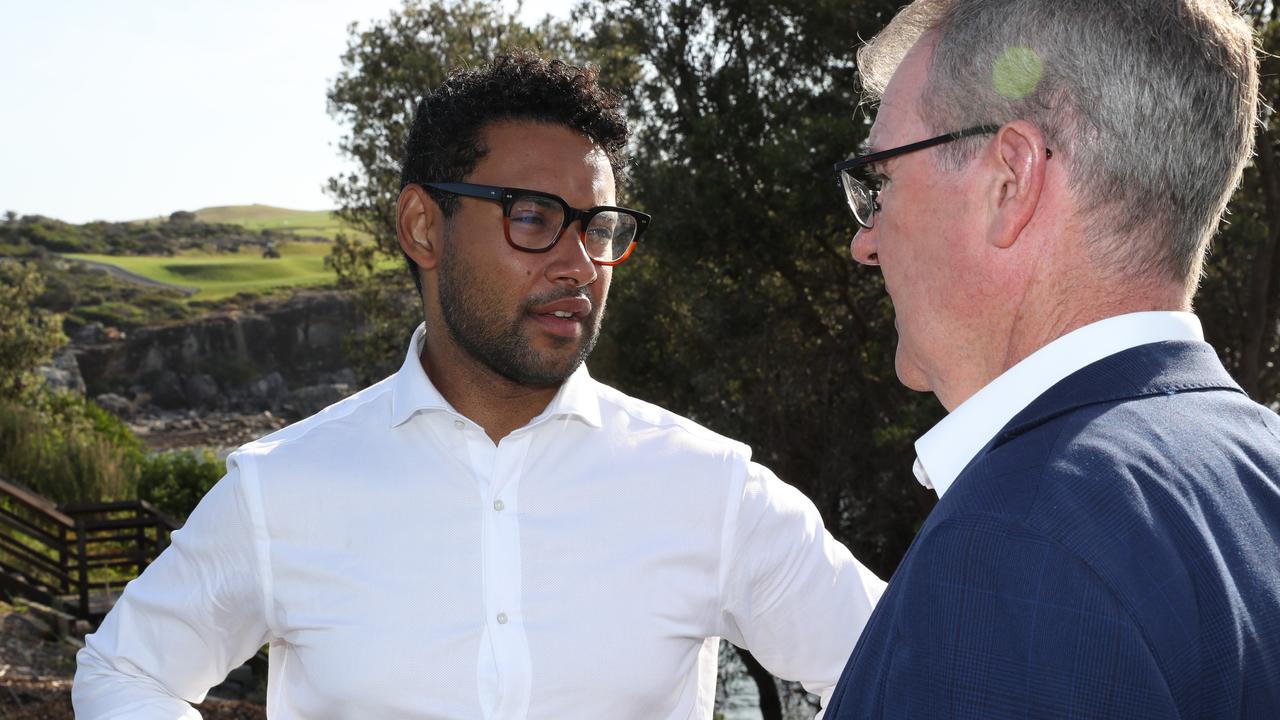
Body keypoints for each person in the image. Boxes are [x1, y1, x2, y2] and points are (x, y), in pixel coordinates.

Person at [72, 51, 885, 719]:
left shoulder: (711, 490)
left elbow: (911, 670)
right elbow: (123, 675)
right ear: (423, 227)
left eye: (599, 228)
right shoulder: (281, 488)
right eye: (532, 217)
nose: (579, 265)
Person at [822, 1, 1280, 717]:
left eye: (879, 180)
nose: (865, 240)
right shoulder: (1257, 471)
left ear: (1011, 181)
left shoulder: (1014, 548)